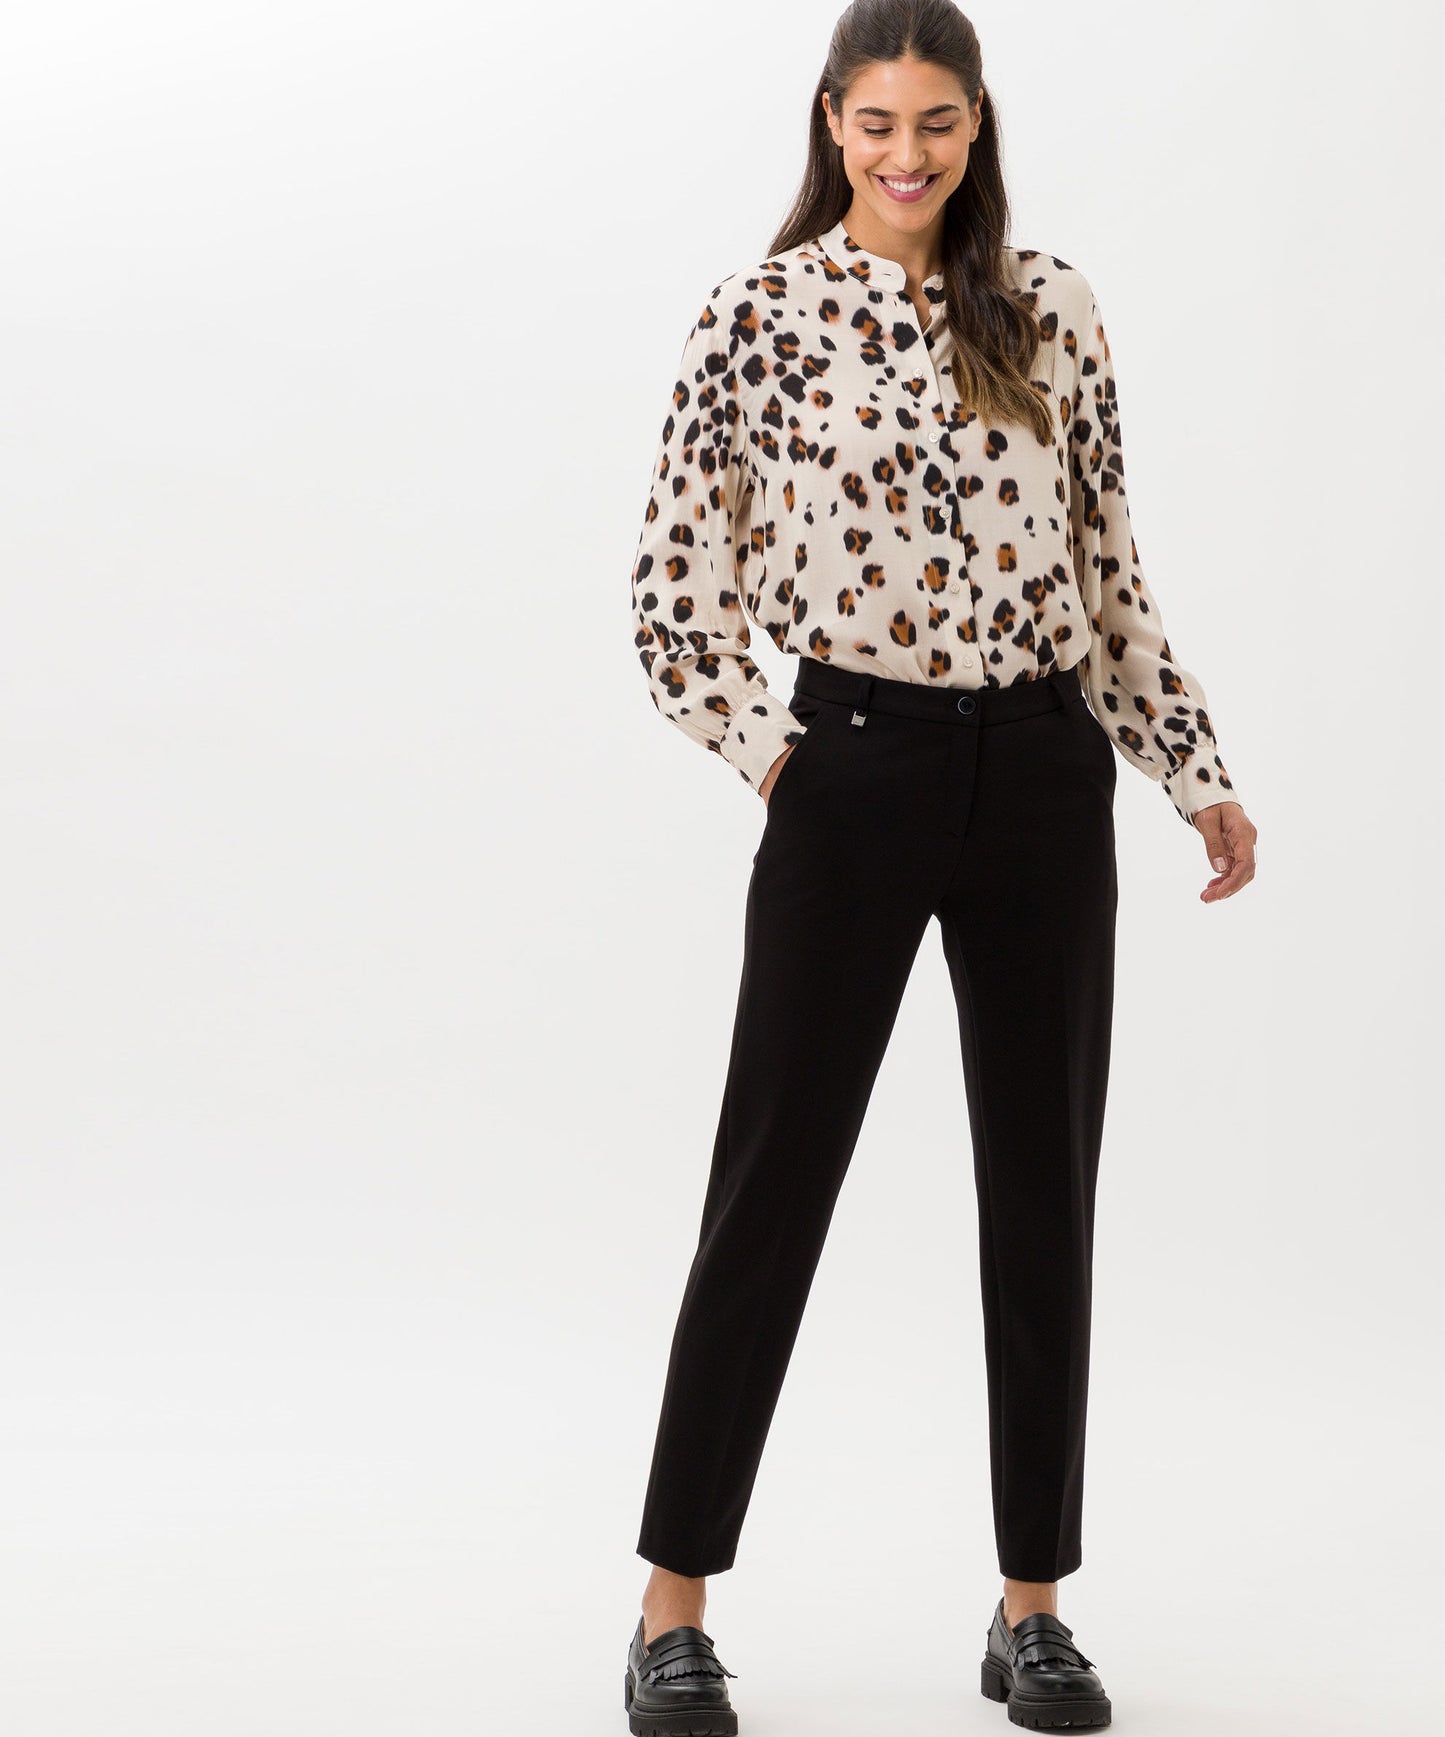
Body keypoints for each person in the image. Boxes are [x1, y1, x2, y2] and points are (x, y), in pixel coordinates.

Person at [622, 3, 1257, 1731]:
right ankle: (671, 1607)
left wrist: (1190, 767)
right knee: (770, 1185)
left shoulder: (1051, 307)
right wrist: (781, 759)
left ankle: (1030, 1605)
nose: (906, 156)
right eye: (877, 124)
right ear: (830, 123)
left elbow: (1108, 565)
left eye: (938, 124)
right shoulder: (757, 315)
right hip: (853, 763)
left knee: (1044, 1191)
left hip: (1044, 773)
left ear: (977, 127)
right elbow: (673, 594)